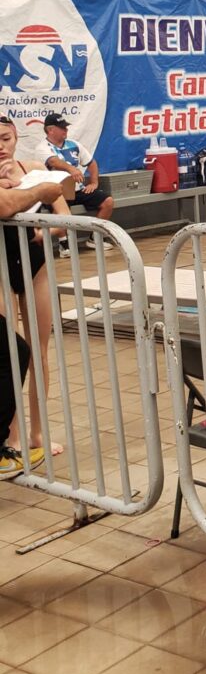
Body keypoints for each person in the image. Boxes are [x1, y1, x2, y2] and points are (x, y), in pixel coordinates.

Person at [0, 117, 71, 457]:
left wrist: (45, 231)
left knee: (39, 352)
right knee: (9, 353)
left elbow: (64, 213)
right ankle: (12, 434)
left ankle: (37, 431)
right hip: (0, 265)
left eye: (6, 138)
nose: (1, 146)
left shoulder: (30, 169)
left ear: (16, 138)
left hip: (35, 263)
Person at [37, 113, 114, 228]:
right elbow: (53, 161)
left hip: (78, 190)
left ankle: (95, 238)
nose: (66, 130)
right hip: (56, 192)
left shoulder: (74, 144)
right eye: (62, 127)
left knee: (108, 201)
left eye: (66, 127)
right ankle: (64, 244)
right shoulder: (42, 148)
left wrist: (94, 182)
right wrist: (71, 169)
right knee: (62, 212)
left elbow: (91, 163)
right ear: (50, 130)